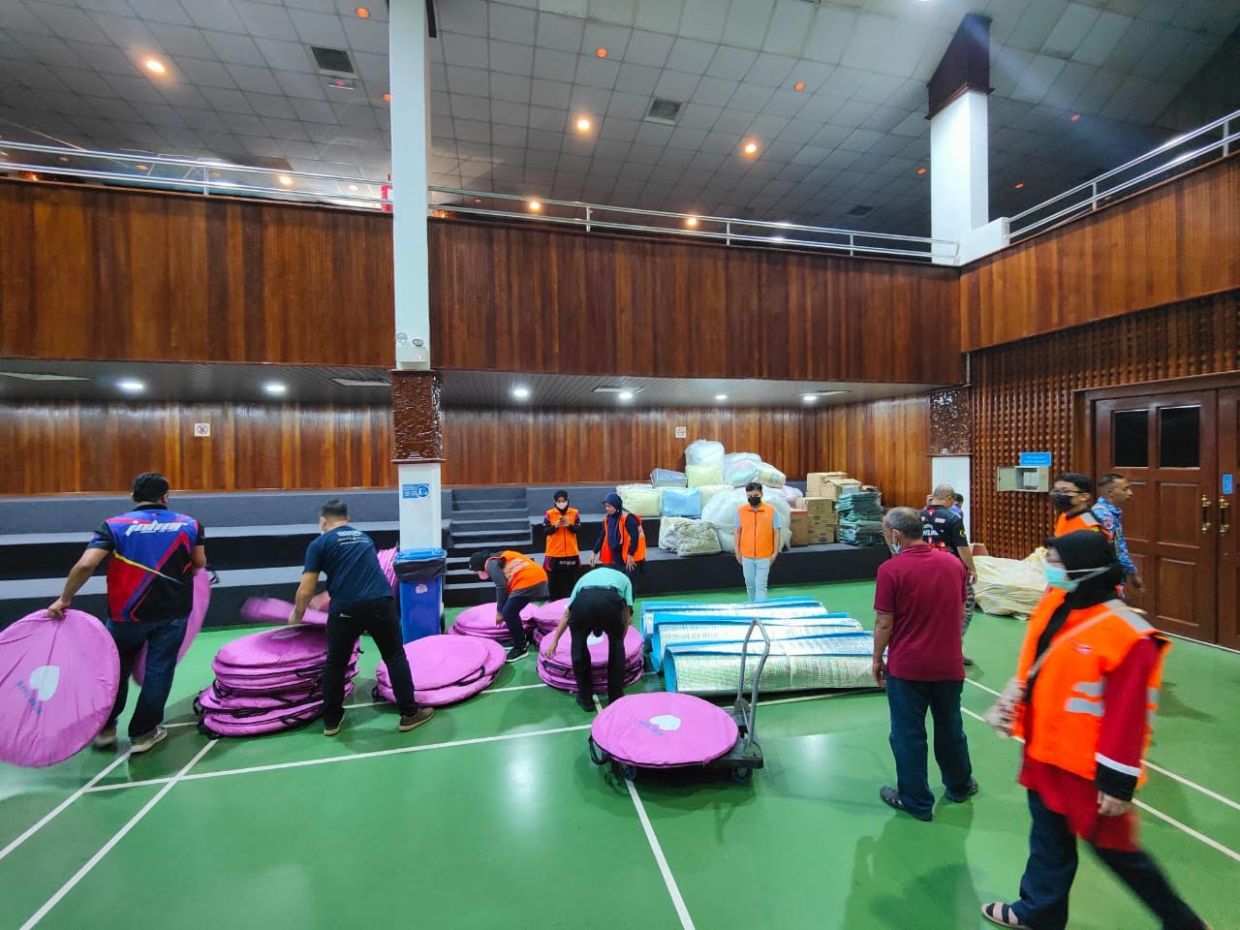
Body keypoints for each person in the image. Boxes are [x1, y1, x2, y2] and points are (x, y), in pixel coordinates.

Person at [980, 531, 1208, 930]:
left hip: (1087, 770)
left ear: (1085, 569)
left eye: (1055, 560)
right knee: (1048, 841)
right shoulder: (1064, 606)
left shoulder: (1129, 635)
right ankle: (1038, 912)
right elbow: (1043, 665)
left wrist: (1117, 783)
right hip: (1044, 752)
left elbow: (1128, 716)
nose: (1048, 567)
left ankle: (1185, 923)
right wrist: (1012, 701)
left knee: (1121, 855)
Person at [47, 472, 206, 754]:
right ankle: (144, 734)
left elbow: (86, 565)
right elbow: (199, 562)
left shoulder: (113, 526)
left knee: (113, 672)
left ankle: (106, 730)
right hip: (173, 613)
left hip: (125, 616)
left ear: (133, 496)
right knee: (159, 671)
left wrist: (65, 598)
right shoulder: (190, 525)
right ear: (166, 497)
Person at [292, 499, 433, 737]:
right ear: (347, 519)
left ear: (323, 521)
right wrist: (328, 594)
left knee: (335, 664)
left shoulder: (319, 544)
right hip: (380, 602)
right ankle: (410, 714)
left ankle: (332, 721)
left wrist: (297, 614)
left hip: (345, 610)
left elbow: (306, 589)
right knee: (395, 656)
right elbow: (361, 575)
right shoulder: (364, 538)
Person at [872, 507, 976, 822]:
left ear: (896, 535)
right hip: (948, 665)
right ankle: (959, 785)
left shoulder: (891, 570)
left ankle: (915, 800)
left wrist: (877, 658)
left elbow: (884, 622)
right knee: (951, 727)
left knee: (907, 734)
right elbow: (959, 611)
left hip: (908, 669)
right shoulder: (954, 565)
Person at [541, 566, 634, 712]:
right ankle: (615, 697)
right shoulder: (625, 579)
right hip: (610, 601)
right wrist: (619, 639)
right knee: (616, 647)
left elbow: (567, 614)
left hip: (584, 603)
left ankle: (585, 700)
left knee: (578, 646)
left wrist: (555, 641)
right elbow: (627, 614)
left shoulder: (583, 580)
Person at [921, 484, 979, 666]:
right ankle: (952, 649)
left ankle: (928, 650)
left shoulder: (917, 515)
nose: (953, 503)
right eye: (953, 499)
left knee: (929, 610)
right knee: (966, 604)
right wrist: (972, 568)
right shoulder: (952, 518)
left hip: (923, 569)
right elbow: (962, 547)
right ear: (947, 497)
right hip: (949, 572)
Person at [470, 548, 549, 663]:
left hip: (529, 581)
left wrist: (499, 612)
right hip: (537, 578)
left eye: (476, 571)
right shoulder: (499, 557)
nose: (478, 574)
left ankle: (521, 647)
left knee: (508, 613)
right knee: (511, 610)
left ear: (480, 566)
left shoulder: (491, 564)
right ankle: (521, 638)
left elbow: (501, 586)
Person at [1092, 472, 1142, 591]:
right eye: (1125, 489)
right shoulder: (1105, 516)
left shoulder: (1107, 512)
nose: (1130, 493)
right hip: (1105, 575)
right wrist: (1133, 574)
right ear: (1110, 492)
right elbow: (1116, 548)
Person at [734, 481, 782, 602]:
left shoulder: (771, 511)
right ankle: (753, 610)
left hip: (764, 555)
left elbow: (777, 532)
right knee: (750, 586)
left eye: (755, 495)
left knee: (761, 586)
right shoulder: (741, 511)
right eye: (749, 496)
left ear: (762, 494)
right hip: (746, 555)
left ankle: (761, 613)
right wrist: (737, 552)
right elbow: (737, 532)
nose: (752, 498)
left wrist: (775, 553)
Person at [590, 492, 646, 589]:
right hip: (617, 557)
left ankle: (629, 604)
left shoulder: (627, 518)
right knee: (619, 584)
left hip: (630, 556)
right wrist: (594, 552)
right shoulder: (607, 519)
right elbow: (602, 537)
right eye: (606, 506)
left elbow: (635, 536)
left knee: (629, 584)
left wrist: (630, 554)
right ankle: (621, 604)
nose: (607, 509)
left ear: (616, 505)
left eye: (609, 506)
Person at [542, 490, 582, 600]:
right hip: (554, 553)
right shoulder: (549, 514)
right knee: (553, 581)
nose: (561, 502)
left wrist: (569, 524)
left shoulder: (574, 513)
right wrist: (555, 526)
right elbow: (545, 531)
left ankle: (571, 602)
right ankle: (552, 602)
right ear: (555, 502)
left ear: (567, 500)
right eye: (559, 501)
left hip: (571, 552)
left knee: (571, 580)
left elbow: (578, 529)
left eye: (563, 500)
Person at [1051, 473, 1110, 538]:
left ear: (1084, 497)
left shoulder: (1090, 523)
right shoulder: (1064, 515)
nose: (1059, 495)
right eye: (1056, 491)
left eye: (1065, 491)